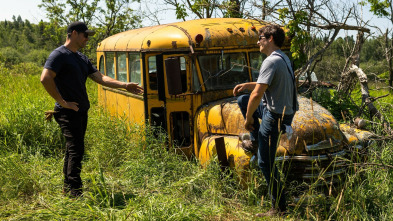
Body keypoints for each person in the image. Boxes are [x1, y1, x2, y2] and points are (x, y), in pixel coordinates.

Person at [40, 21, 144, 198]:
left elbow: (101, 77)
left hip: (81, 111)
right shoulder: (59, 55)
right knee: (76, 150)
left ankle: (68, 187)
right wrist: (63, 102)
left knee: (72, 149)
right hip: (68, 112)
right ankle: (75, 192)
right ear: (73, 33)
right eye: (85, 35)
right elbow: (45, 78)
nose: (87, 39)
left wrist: (125, 85)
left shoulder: (80, 58)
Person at [233, 24, 298, 217]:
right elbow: (264, 85)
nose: (258, 42)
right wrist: (248, 84)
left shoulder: (270, 61)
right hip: (282, 112)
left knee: (265, 162)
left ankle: (279, 208)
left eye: (260, 38)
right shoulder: (282, 58)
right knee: (242, 98)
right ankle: (254, 139)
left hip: (275, 116)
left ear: (270, 39)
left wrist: (248, 120)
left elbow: (257, 95)